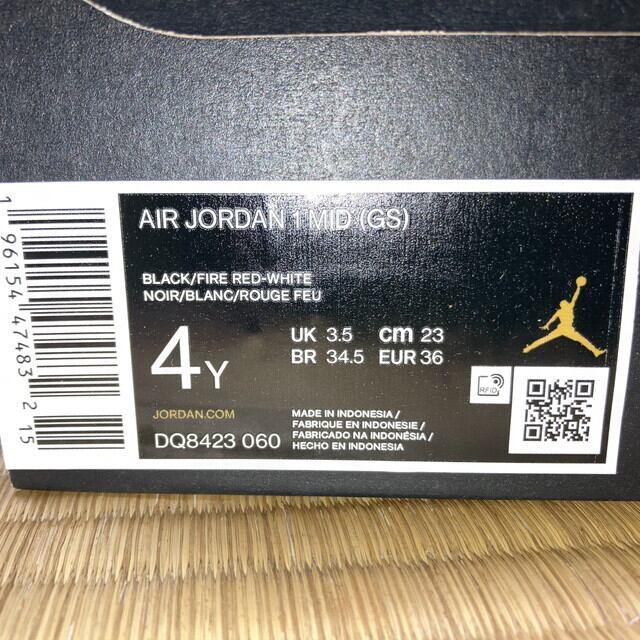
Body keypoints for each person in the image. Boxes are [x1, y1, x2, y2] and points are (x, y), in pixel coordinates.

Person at [522, 276, 606, 357]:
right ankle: (595, 351)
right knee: (582, 340)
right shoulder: (568, 308)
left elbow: (553, 319)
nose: (566, 302)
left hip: (562, 329)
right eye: (565, 302)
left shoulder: (561, 311)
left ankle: (528, 348)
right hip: (567, 329)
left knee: (545, 339)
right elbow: (574, 297)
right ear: (564, 305)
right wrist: (578, 287)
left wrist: (547, 325)